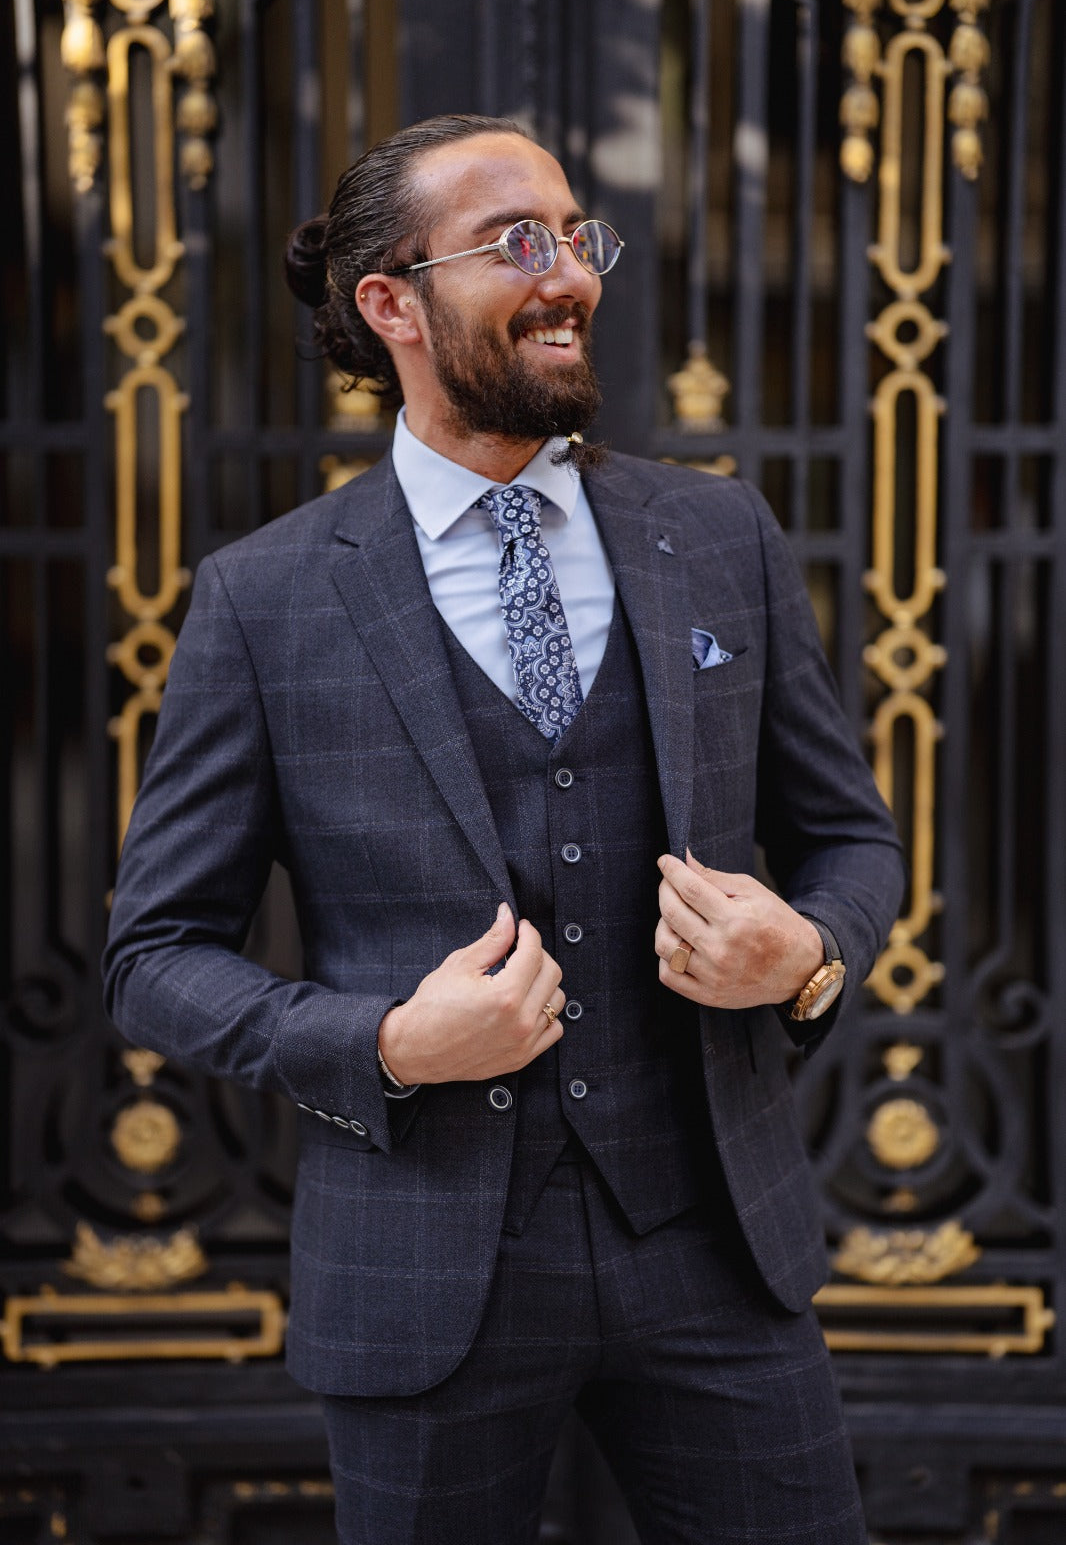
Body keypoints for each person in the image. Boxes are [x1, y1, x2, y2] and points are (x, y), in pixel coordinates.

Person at [104, 113, 905, 1545]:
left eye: (575, 238)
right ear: (391, 305)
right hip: (427, 1275)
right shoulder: (266, 597)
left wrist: (807, 959)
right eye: (513, 243)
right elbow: (155, 954)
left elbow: (850, 843)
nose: (571, 276)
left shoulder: (718, 537)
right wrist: (382, 1047)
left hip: (713, 1251)